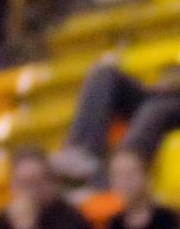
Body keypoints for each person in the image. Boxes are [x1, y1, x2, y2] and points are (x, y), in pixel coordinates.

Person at [54, 52, 180, 186]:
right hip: (165, 93)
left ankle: (122, 171)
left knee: (155, 107)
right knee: (104, 73)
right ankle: (81, 153)